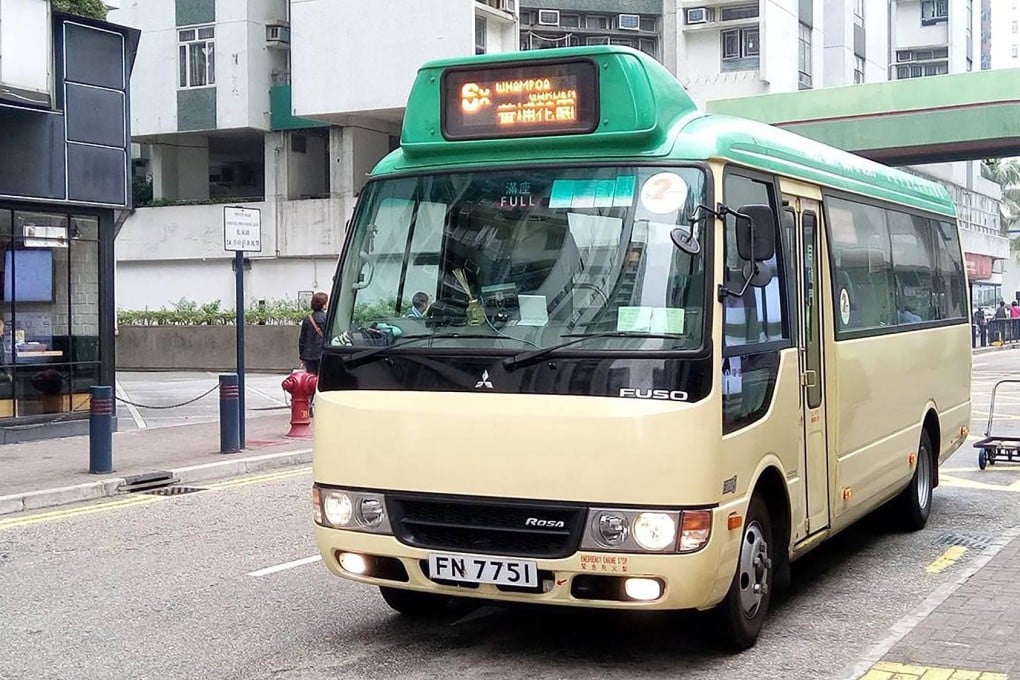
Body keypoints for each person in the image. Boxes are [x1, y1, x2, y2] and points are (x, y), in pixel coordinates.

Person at [299, 291, 328, 374]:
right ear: (323, 305)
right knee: (321, 378)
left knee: (311, 379)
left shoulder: (307, 319)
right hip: (322, 353)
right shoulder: (326, 318)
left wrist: (302, 356)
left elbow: (302, 339)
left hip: (308, 355)